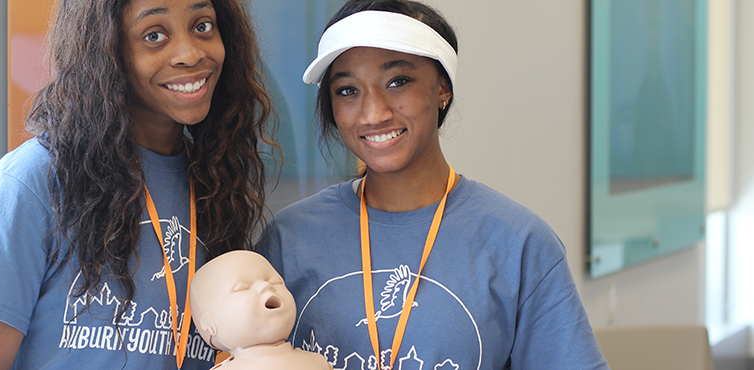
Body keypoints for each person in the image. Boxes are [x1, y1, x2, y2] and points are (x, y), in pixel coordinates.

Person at [256, 1, 610, 370]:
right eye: (347, 90)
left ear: (442, 88)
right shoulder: (289, 238)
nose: (373, 113)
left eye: (398, 82)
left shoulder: (518, 243)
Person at [0, 0, 275, 368]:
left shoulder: (216, 182)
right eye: (154, 35)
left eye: (202, 26)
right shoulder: (35, 181)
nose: (190, 53)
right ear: (105, 51)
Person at [188, 250, 333, 370]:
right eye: (243, 287)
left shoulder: (318, 362)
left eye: (276, 281)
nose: (266, 286)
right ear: (210, 325)